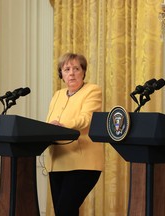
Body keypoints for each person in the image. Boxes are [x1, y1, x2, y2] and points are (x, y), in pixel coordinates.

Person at [45, 52, 104, 216]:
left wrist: (61, 126)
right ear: (61, 74)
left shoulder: (92, 90)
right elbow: (50, 121)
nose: (71, 73)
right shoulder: (57, 95)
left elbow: (87, 119)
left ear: (83, 72)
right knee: (63, 212)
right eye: (67, 69)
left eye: (76, 68)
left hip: (83, 163)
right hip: (57, 162)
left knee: (65, 210)